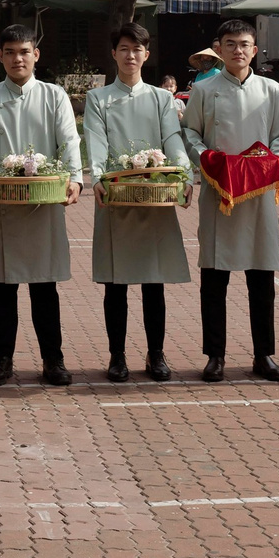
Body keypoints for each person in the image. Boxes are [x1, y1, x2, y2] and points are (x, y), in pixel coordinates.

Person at [0, 24, 82, 388]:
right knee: (1, 288)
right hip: (0, 202)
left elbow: (68, 140)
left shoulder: (54, 95)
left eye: (24, 51)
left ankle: (53, 359)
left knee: (44, 287)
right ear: (0, 56)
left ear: (36, 55)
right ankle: (1, 359)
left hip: (43, 204)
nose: (18, 58)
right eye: (10, 52)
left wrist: (76, 178)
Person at [182, 19, 279, 382]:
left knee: (261, 280)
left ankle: (264, 354)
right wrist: (208, 161)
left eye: (244, 44)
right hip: (219, 194)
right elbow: (191, 133)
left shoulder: (273, 90)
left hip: (258, 196)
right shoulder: (204, 88)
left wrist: (270, 165)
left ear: (255, 49)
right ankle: (215, 355)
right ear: (220, 49)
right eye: (230, 44)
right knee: (214, 279)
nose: (237, 50)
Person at [79, 24, 191, 383]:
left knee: (153, 281)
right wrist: (98, 177)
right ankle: (117, 356)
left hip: (155, 195)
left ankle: (156, 354)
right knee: (116, 282)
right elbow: (95, 139)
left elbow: (172, 138)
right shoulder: (99, 98)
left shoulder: (161, 98)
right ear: (114, 54)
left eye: (137, 48)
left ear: (146, 54)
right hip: (116, 194)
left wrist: (183, 175)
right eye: (124, 48)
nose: (130, 55)